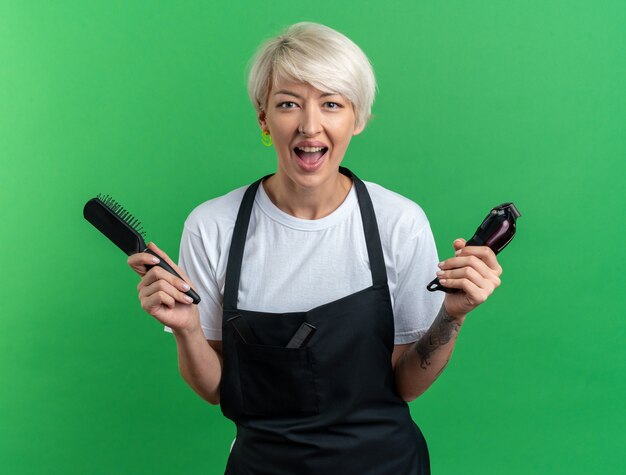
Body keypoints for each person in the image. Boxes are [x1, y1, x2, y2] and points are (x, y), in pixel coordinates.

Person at [128, 22, 503, 475]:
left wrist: (453, 314)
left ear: (357, 118)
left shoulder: (399, 222)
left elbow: (405, 384)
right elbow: (216, 390)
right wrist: (188, 328)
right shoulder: (212, 227)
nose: (310, 125)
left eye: (331, 104)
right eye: (288, 104)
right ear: (263, 118)